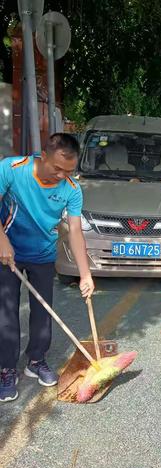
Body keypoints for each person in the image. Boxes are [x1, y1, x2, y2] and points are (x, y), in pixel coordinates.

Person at [0, 133, 95, 403]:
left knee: (43, 310)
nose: (61, 176)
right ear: (43, 156)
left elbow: (75, 231)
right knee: (6, 312)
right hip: (8, 252)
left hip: (42, 253)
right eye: (57, 168)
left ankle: (36, 360)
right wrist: (2, 239)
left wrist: (85, 274)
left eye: (68, 171)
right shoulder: (11, 169)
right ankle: (6, 369)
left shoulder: (72, 189)